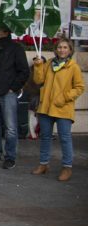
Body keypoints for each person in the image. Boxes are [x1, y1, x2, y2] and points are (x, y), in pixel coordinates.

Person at [31, 37, 84, 182]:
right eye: (60, 47)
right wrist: (37, 67)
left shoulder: (73, 67)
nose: (62, 50)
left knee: (65, 138)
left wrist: (64, 98)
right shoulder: (48, 63)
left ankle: (67, 167)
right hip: (46, 108)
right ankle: (43, 164)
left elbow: (79, 88)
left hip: (63, 108)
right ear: (56, 49)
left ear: (70, 50)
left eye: (65, 47)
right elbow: (38, 80)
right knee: (45, 137)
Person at [0, 23, 30, 169]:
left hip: (7, 93)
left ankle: (10, 156)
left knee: (10, 127)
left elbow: (24, 71)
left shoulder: (16, 48)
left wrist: (12, 88)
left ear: (6, 32)